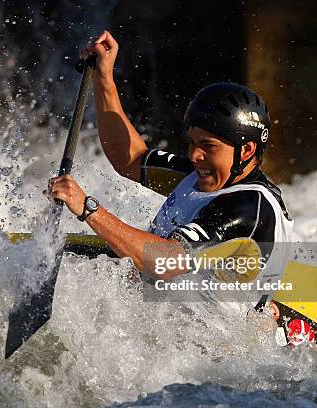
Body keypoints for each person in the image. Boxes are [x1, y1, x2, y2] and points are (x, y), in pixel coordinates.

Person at [49, 30, 293, 307]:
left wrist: (87, 208)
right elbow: (130, 159)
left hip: (209, 344)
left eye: (209, 146)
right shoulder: (206, 174)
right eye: (192, 142)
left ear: (246, 151)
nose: (195, 155)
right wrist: (103, 77)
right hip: (165, 311)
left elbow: (163, 262)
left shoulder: (248, 209)